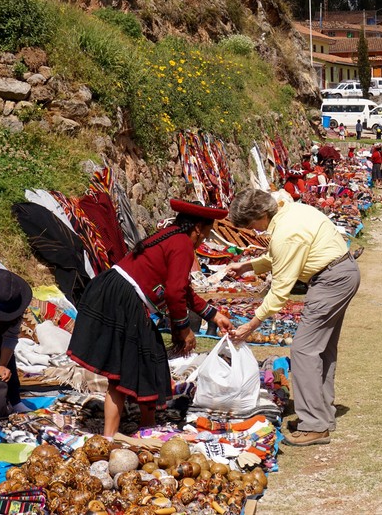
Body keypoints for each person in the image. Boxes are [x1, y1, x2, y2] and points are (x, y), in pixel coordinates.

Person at [68, 200, 234, 436]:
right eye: (205, 234)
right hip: (124, 299)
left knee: (150, 358)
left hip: (113, 291)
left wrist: (213, 315)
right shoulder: (183, 244)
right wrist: (183, 329)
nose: (203, 240)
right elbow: (174, 292)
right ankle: (110, 436)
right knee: (122, 369)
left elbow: (181, 288)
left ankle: (146, 424)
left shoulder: (169, 234)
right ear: (197, 227)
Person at [227, 190, 360, 446]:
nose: (254, 231)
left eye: (253, 225)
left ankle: (314, 425)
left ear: (262, 215)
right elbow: (280, 256)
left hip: (330, 280)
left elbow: (280, 290)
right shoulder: (290, 212)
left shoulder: (286, 232)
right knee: (322, 349)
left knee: (303, 350)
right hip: (342, 273)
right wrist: (248, 266)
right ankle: (322, 414)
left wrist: (253, 323)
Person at [0, 266, 32, 418]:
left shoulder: (13, 299)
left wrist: (1, 365)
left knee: (4, 360)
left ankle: (14, 399)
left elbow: (10, 337)